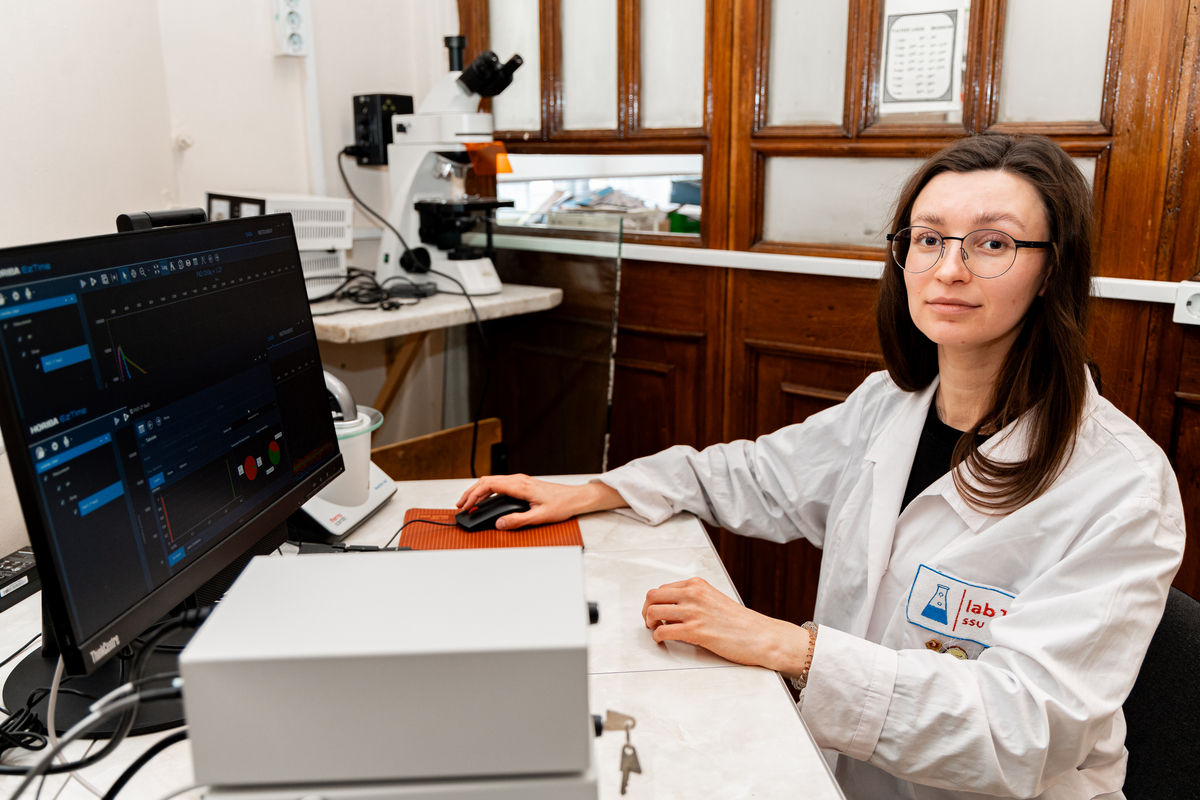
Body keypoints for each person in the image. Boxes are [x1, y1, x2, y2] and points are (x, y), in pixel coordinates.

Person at [455, 133, 1185, 800]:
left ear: (1053, 269)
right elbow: (757, 476)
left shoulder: (1120, 484)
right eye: (928, 239)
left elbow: (1025, 730)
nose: (948, 269)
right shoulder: (890, 404)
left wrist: (793, 649)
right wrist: (597, 489)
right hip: (842, 774)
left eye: (992, 243)